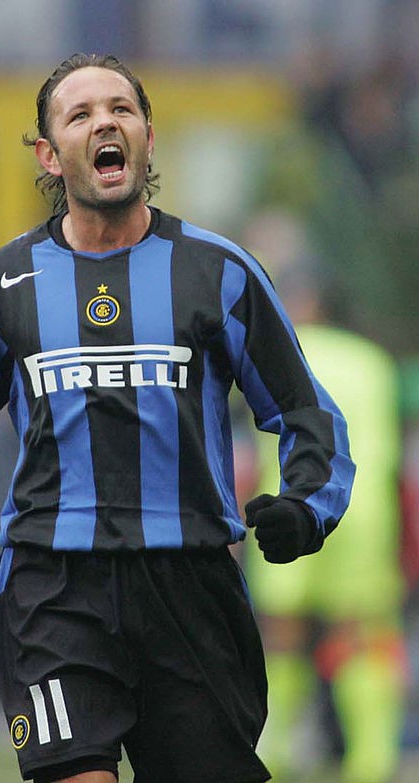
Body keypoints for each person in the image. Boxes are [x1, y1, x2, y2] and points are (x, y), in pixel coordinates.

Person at [0, 53, 354, 783]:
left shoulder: (219, 271)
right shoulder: (1, 285)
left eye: (121, 109)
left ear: (147, 137)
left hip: (190, 585)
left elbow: (304, 412)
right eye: (81, 113)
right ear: (48, 152)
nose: (105, 122)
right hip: (52, 586)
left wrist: (305, 506)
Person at [238, 212, 406, 783]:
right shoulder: (375, 362)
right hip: (364, 518)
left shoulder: (283, 351)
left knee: (283, 633)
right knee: (361, 638)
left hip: (295, 508)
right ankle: (372, 760)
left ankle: (272, 752)